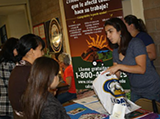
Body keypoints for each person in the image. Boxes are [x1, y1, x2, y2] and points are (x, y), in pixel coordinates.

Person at [103, 17, 160, 103]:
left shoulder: (136, 43)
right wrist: (106, 79)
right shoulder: (115, 51)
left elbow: (141, 69)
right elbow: (116, 74)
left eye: (110, 31)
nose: (108, 36)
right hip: (135, 89)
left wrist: (119, 66)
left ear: (120, 31)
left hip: (151, 88)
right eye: (106, 33)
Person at [8, 33, 45, 119]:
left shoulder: (19, 68)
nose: (42, 54)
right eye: (40, 50)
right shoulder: (29, 71)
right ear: (32, 51)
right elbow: (41, 100)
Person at [0, 38, 19, 119]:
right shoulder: (9, 65)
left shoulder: (2, 64)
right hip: (8, 106)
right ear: (14, 50)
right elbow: (13, 86)